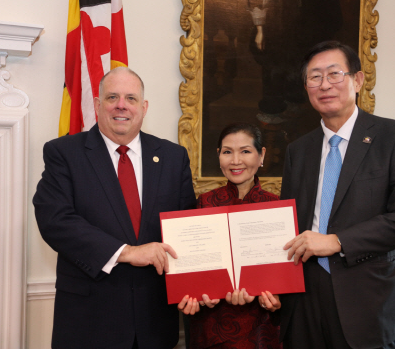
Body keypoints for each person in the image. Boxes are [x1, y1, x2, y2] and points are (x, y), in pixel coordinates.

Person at [33, 67, 197, 349]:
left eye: (131, 98)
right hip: (89, 323)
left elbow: (186, 228)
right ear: (97, 105)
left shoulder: (173, 157)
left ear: (143, 107)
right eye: (112, 97)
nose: (122, 105)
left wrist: (196, 284)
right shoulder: (64, 153)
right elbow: (55, 220)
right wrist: (128, 252)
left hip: (154, 323)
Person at [279, 41, 395, 349]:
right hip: (304, 294)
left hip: (365, 294)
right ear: (306, 86)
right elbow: (287, 222)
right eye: (314, 77)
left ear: (357, 80)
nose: (324, 85)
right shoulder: (298, 150)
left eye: (334, 74)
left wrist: (336, 241)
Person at [178, 123, 282, 348]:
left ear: (261, 155)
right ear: (219, 156)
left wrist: (277, 300)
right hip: (211, 328)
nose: (236, 161)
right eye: (227, 152)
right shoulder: (204, 203)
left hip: (262, 329)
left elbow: (285, 278)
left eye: (245, 151)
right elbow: (193, 271)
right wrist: (195, 296)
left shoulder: (277, 208)